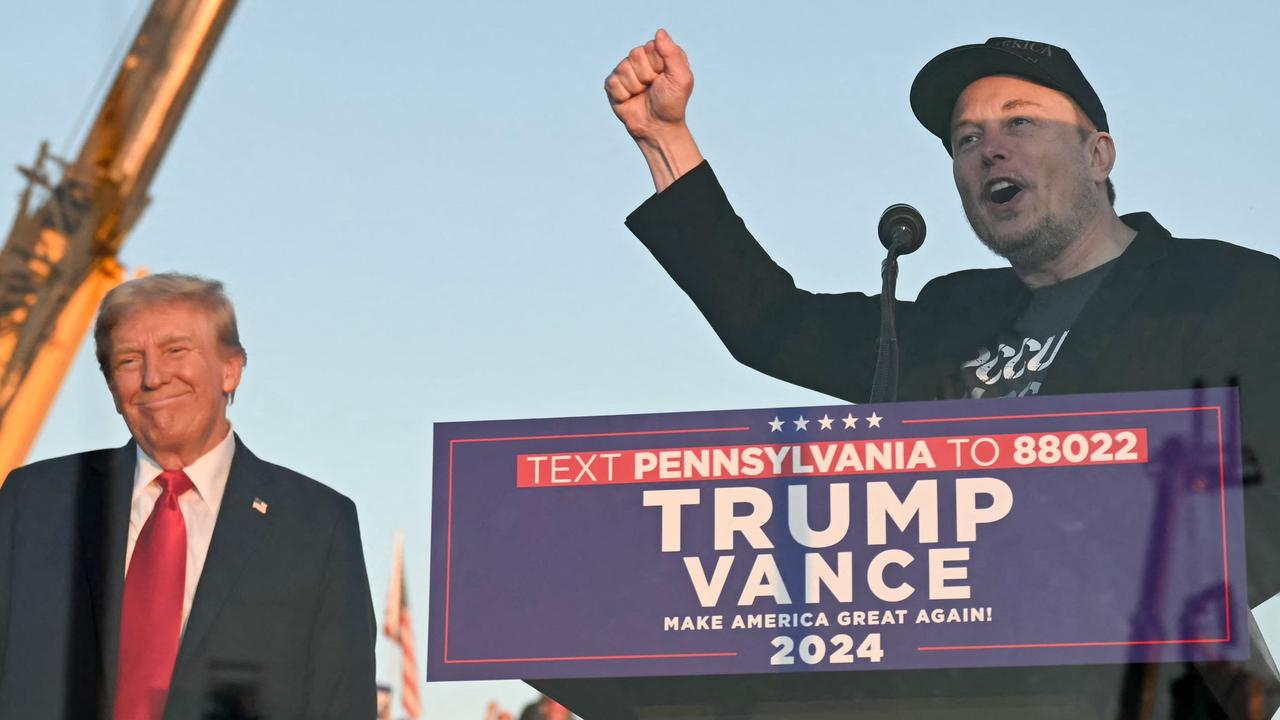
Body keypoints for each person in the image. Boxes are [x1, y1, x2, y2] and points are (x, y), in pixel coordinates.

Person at [606, 31, 1280, 717]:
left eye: (1021, 121)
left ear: (1098, 153)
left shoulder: (1234, 293)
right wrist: (665, 138)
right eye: (966, 139)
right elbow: (773, 324)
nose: (990, 148)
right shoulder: (951, 314)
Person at [0, 273, 377, 719]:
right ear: (111, 388)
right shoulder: (35, 501)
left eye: (176, 351)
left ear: (230, 368)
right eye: (128, 360)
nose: (153, 377)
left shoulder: (318, 524)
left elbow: (342, 703)